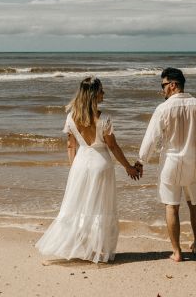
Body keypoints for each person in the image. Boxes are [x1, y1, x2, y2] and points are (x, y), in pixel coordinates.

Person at [35, 77, 140, 263]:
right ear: (93, 94)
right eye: (101, 90)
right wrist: (128, 167)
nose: (104, 93)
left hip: (80, 164)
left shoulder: (71, 117)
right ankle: (98, 249)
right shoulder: (104, 118)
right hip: (101, 163)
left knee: (79, 207)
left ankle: (81, 247)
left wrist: (74, 168)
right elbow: (113, 147)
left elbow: (70, 146)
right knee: (100, 208)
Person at [136, 67, 196, 262]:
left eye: (163, 86)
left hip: (171, 163)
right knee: (195, 204)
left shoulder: (164, 108)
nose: (162, 90)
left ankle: (177, 252)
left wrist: (141, 160)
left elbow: (151, 138)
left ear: (172, 85)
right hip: (194, 163)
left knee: (172, 206)